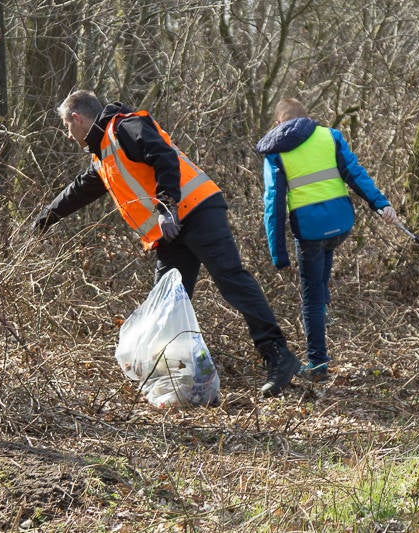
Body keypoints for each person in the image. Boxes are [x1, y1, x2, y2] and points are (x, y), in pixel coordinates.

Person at [32, 89, 300, 397]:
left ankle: (278, 356)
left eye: (67, 127)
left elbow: (163, 155)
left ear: (76, 119)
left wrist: (167, 205)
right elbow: (80, 190)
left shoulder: (124, 127)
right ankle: (179, 378)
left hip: (197, 211)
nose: (68, 136)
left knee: (232, 280)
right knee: (166, 306)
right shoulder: (103, 154)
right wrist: (45, 219)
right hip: (170, 232)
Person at [255, 98, 398, 381]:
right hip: (340, 224)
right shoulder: (328, 136)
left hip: (309, 231)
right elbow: (354, 174)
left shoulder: (276, 153)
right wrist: (380, 204)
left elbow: (274, 203)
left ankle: (318, 363)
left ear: (277, 124)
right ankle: (324, 309)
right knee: (320, 278)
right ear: (306, 118)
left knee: (310, 297)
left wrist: (278, 253)